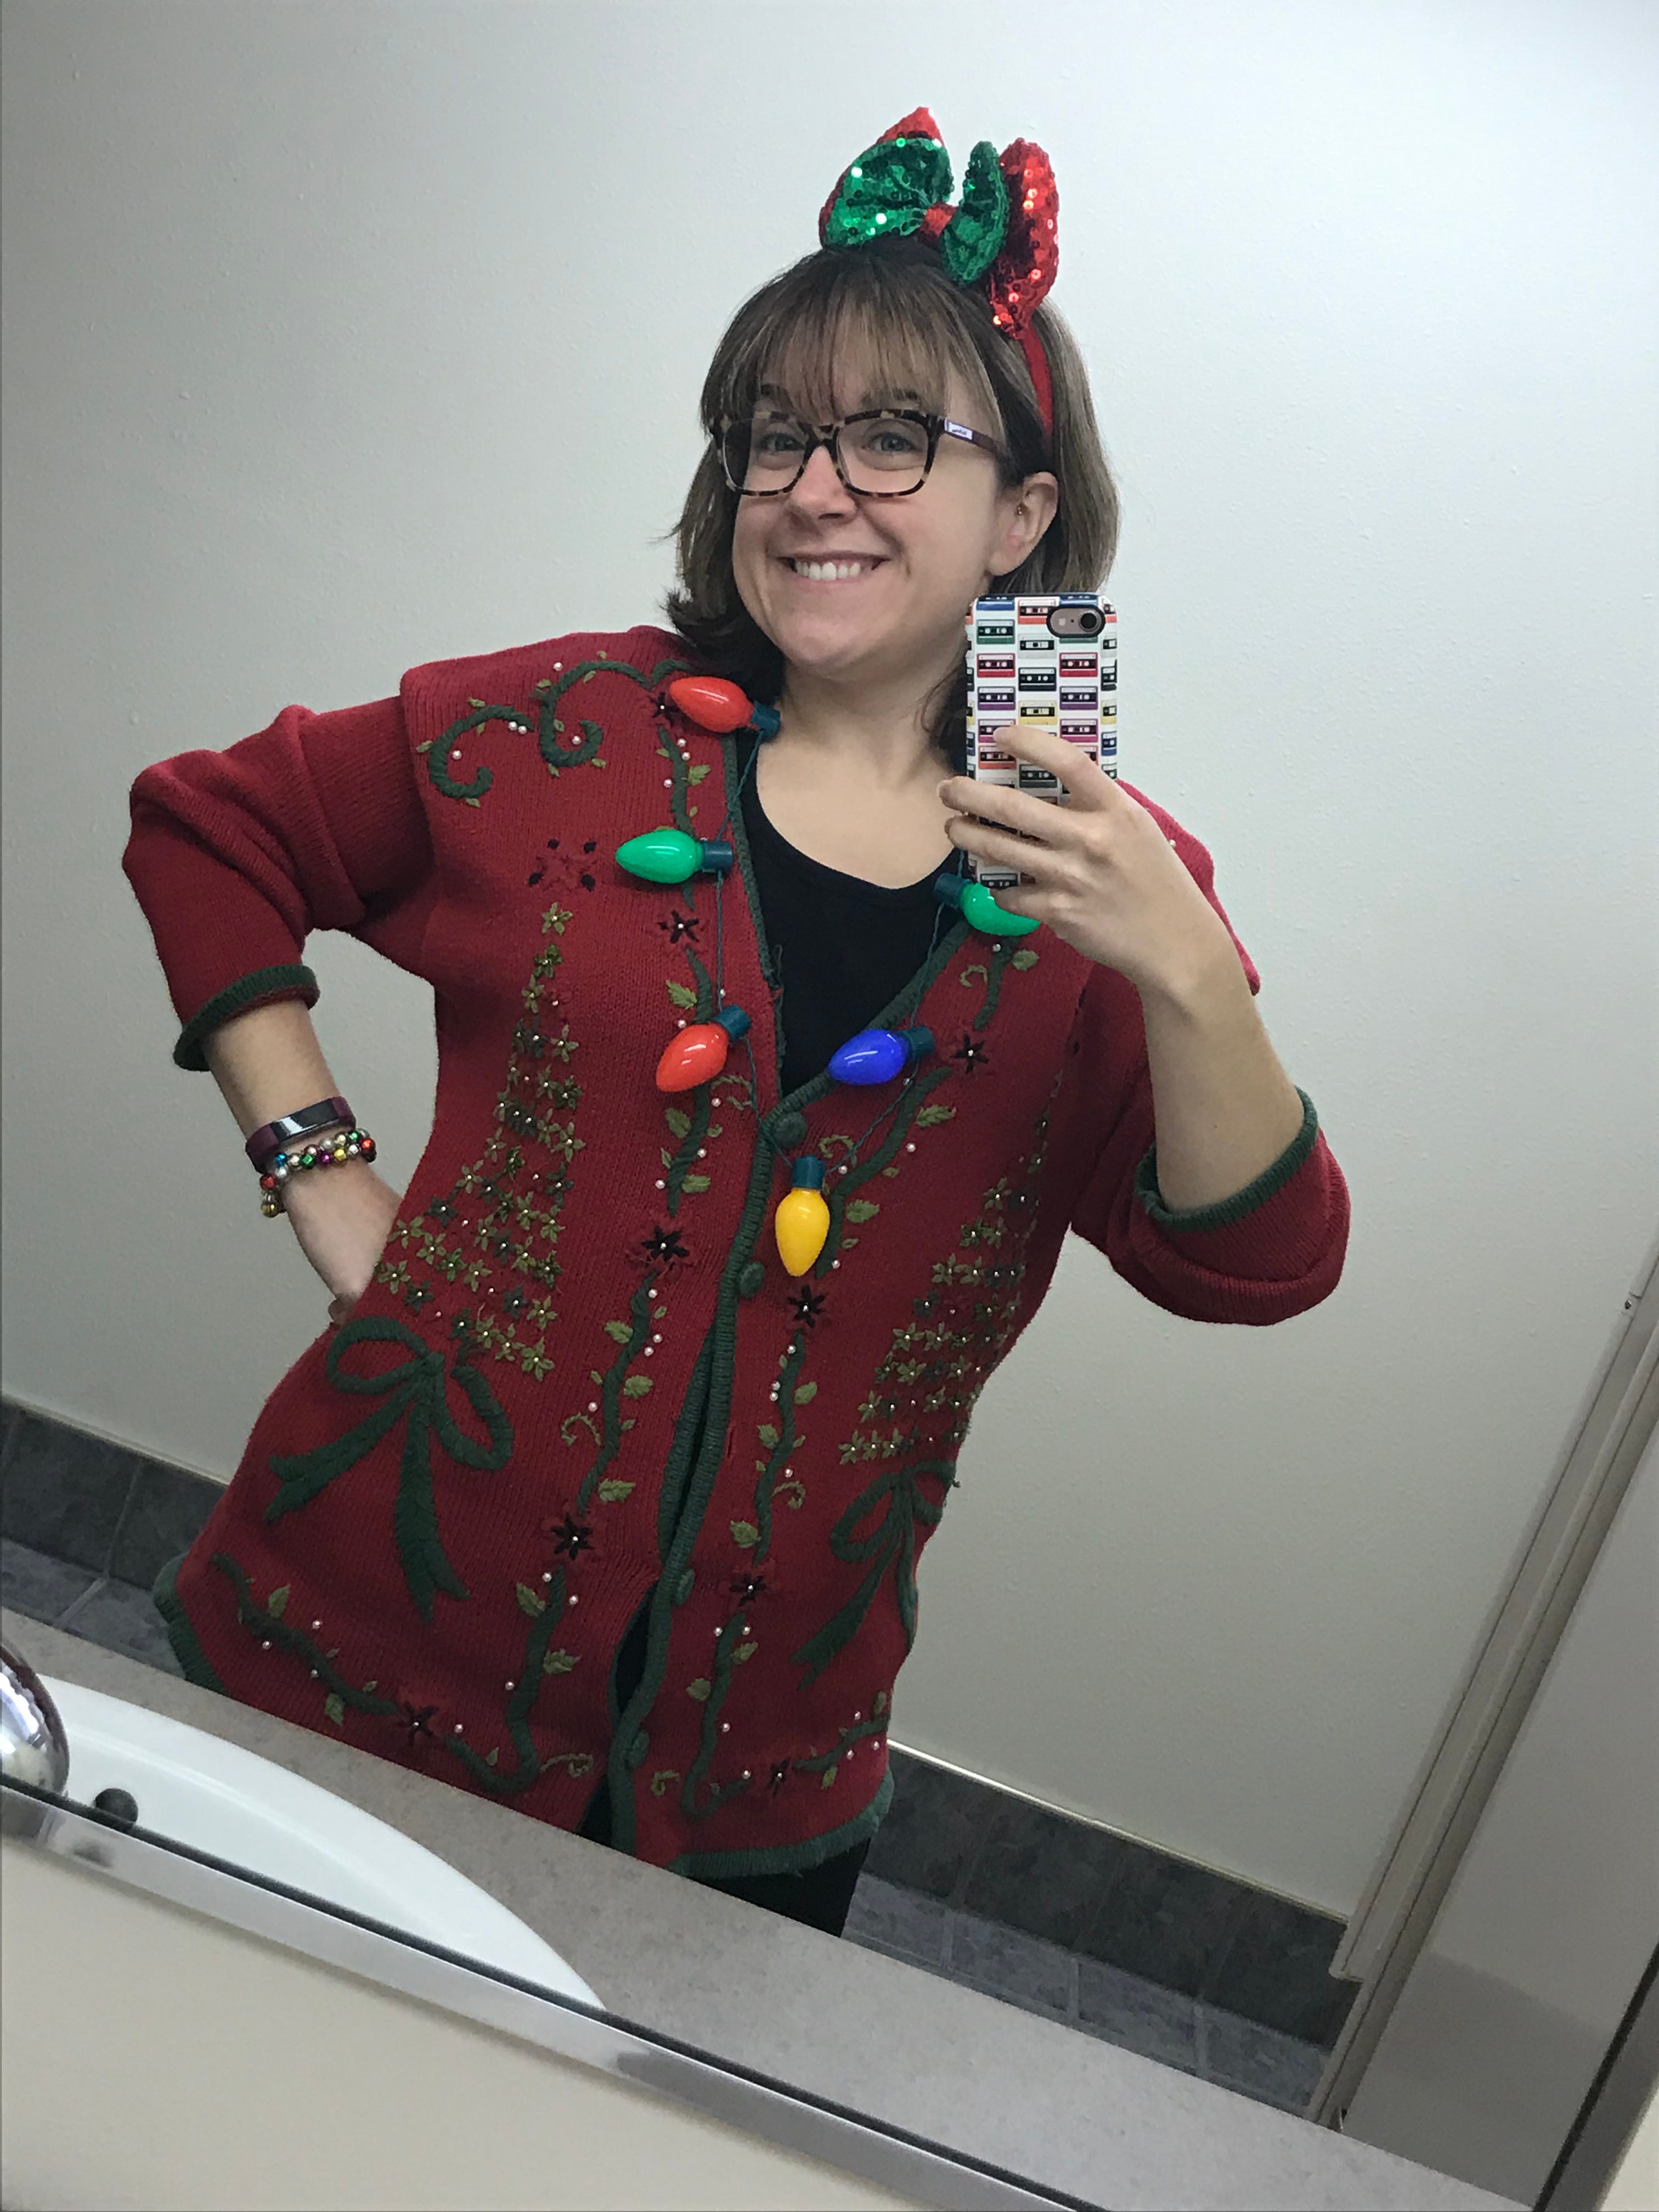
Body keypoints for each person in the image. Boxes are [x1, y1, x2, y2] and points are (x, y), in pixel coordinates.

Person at [122, 111, 1348, 1939]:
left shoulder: (1102, 877)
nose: (815, 488)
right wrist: (321, 1168)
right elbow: (211, 830)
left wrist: (1182, 959)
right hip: (336, 1653)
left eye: (893, 437)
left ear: (1022, 515)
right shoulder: (561, 736)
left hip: (751, 1792)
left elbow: (1257, 1263)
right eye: (777, 434)